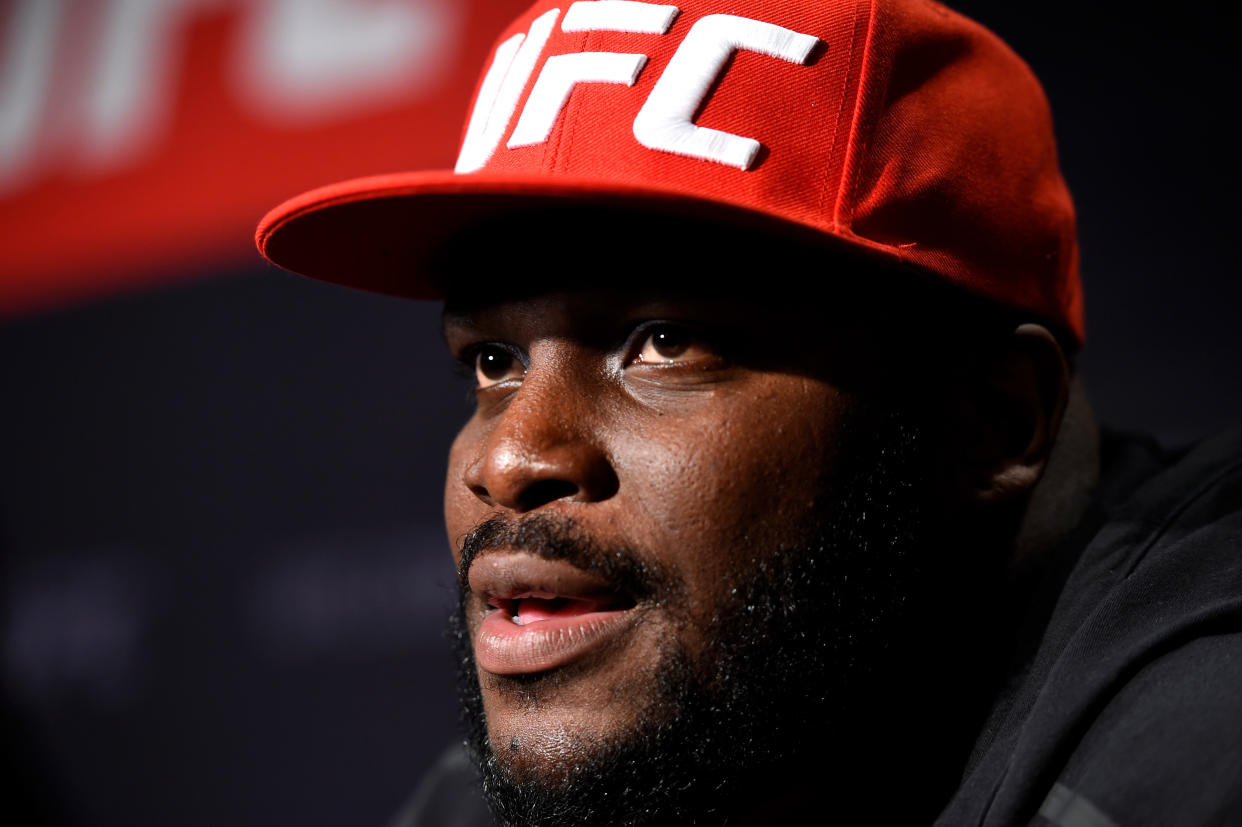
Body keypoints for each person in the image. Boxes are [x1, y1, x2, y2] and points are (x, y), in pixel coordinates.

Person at [256, 1, 1242, 824]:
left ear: (995, 418)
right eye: (493, 360)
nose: (512, 455)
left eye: (665, 342)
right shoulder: (567, 773)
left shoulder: (1200, 738)